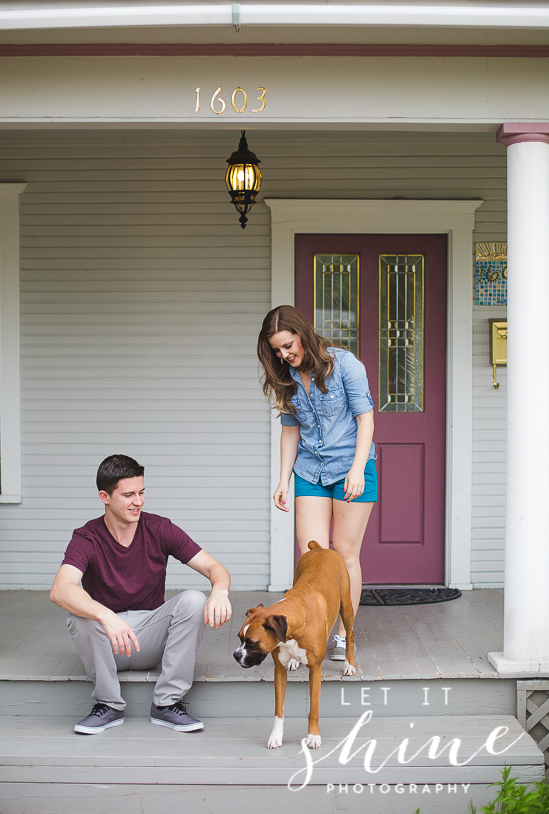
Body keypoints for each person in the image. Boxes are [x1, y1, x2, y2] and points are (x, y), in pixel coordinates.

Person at [50, 454, 232, 735]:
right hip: (107, 643)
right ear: (105, 496)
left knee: (195, 600)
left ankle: (167, 704)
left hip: (147, 639)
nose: (138, 501)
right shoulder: (87, 537)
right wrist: (105, 615)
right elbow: (60, 589)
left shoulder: (159, 528)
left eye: (142, 492)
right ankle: (108, 705)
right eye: (128, 495)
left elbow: (213, 566)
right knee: (79, 614)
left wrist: (220, 591)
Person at [257, 305, 376, 661]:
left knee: (344, 554)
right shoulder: (286, 376)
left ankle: (344, 634)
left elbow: (366, 419)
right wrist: (282, 479)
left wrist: (356, 469)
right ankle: (312, 629)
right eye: (277, 350)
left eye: (288, 345)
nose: (284, 355)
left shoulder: (346, 365)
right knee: (313, 557)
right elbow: (291, 431)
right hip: (310, 471)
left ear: (303, 334)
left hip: (351, 467)